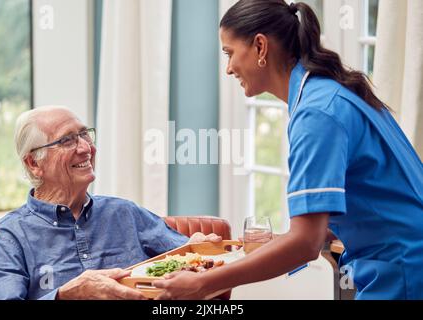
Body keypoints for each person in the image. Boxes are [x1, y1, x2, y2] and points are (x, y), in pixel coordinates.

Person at [153, 0, 423, 300]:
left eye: (229, 53)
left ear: (260, 47)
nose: (228, 68)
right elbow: (362, 206)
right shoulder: (331, 92)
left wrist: (207, 282)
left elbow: (306, 243)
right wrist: (276, 243)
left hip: (405, 272)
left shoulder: (317, 113)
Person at [0, 105, 221, 300]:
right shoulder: (7, 238)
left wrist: (198, 249)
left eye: (85, 134)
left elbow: (187, 257)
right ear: (34, 163)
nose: (86, 148)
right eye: (67, 140)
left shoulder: (125, 212)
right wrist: (64, 296)